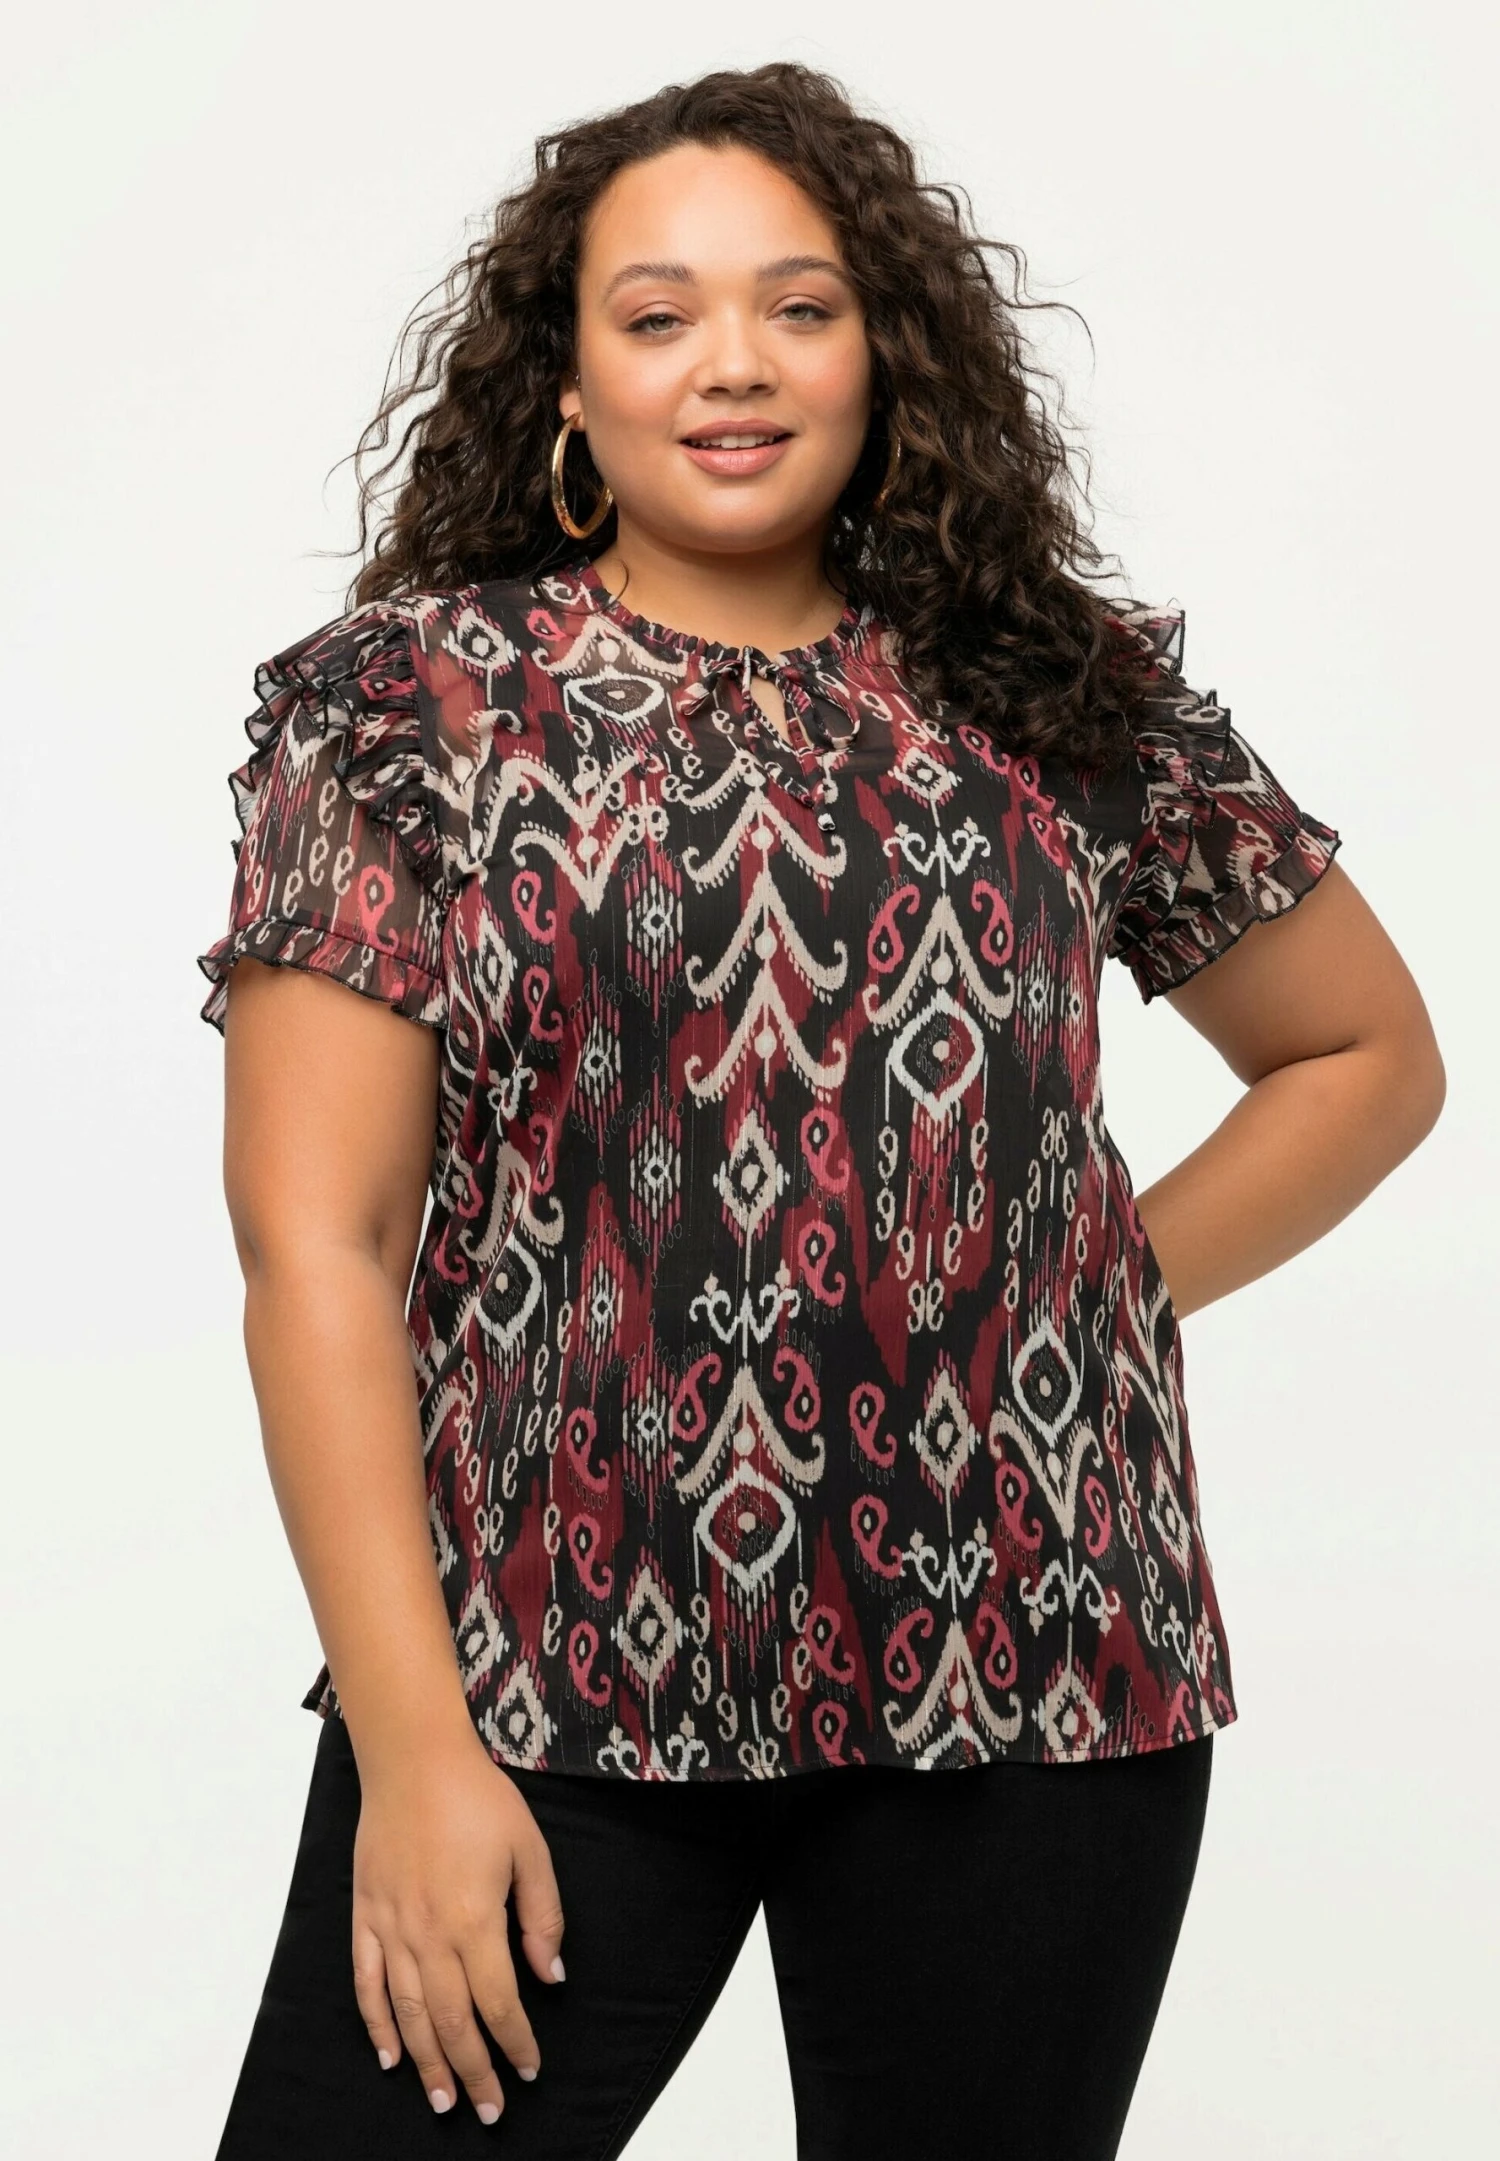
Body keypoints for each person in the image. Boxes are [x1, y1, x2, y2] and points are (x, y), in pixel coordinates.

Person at [195, 60, 1444, 2161]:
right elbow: (316, 1245)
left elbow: (1364, 1056)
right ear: (567, 384)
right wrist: (412, 1754)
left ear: (890, 359)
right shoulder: (411, 711)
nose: (734, 364)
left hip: (1036, 1665)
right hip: (538, 1682)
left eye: (801, 306)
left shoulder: (1060, 695)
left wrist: (1081, 1288)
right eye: (658, 314)